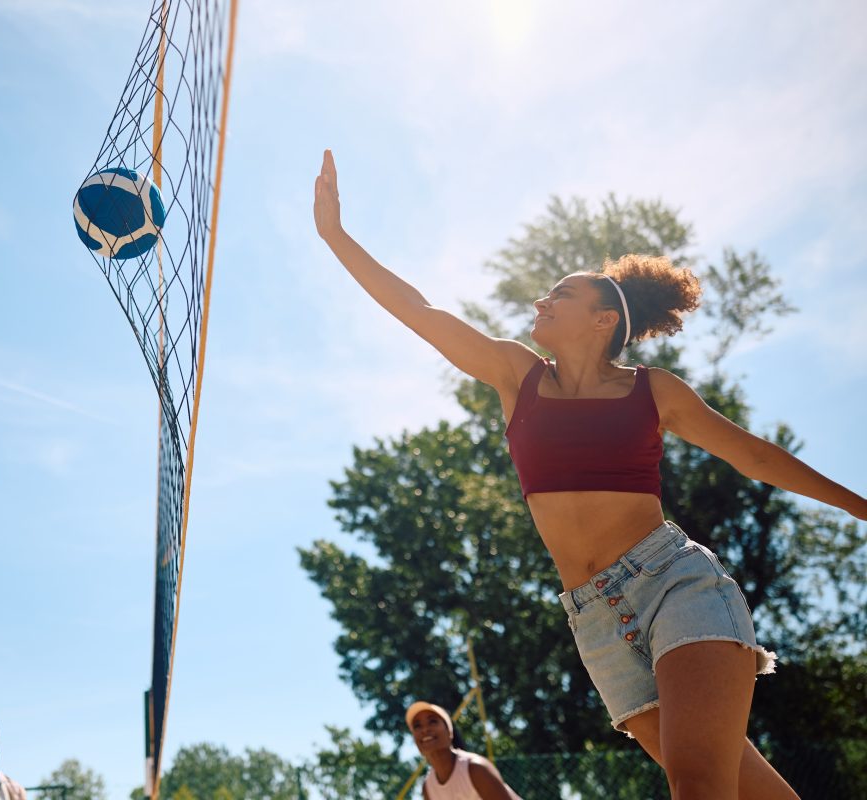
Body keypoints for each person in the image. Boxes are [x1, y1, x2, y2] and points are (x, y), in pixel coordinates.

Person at [313, 150, 867, 799]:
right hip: (595, 618)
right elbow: (420, 311)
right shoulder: (518, 376)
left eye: (562, 294)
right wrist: (337, 237)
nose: (543, 299)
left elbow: (757, 458)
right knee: (742, 790)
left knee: (697, 785)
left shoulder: (653, 391)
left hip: (674, 584)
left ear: (604, 320)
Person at [407, 702, 520, 800]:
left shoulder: (475, 768)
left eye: (432, 721)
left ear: (449, 732)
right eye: (417, 726)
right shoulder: (428, 787)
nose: (425, 729)